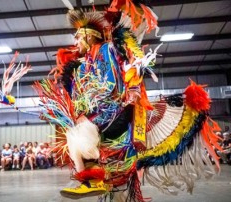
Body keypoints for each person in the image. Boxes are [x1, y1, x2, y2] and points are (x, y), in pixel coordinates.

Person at [33, 2, 222, 200]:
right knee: (74, 138)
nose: (76, 42)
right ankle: (90, 179)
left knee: (77, 135)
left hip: (114, 113)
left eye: (79, 37)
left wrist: (90, 107)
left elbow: (111, 80)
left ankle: (91, 180)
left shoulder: (106, 50)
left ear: (90, 36)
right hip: (102, 116)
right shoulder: (86, 61)